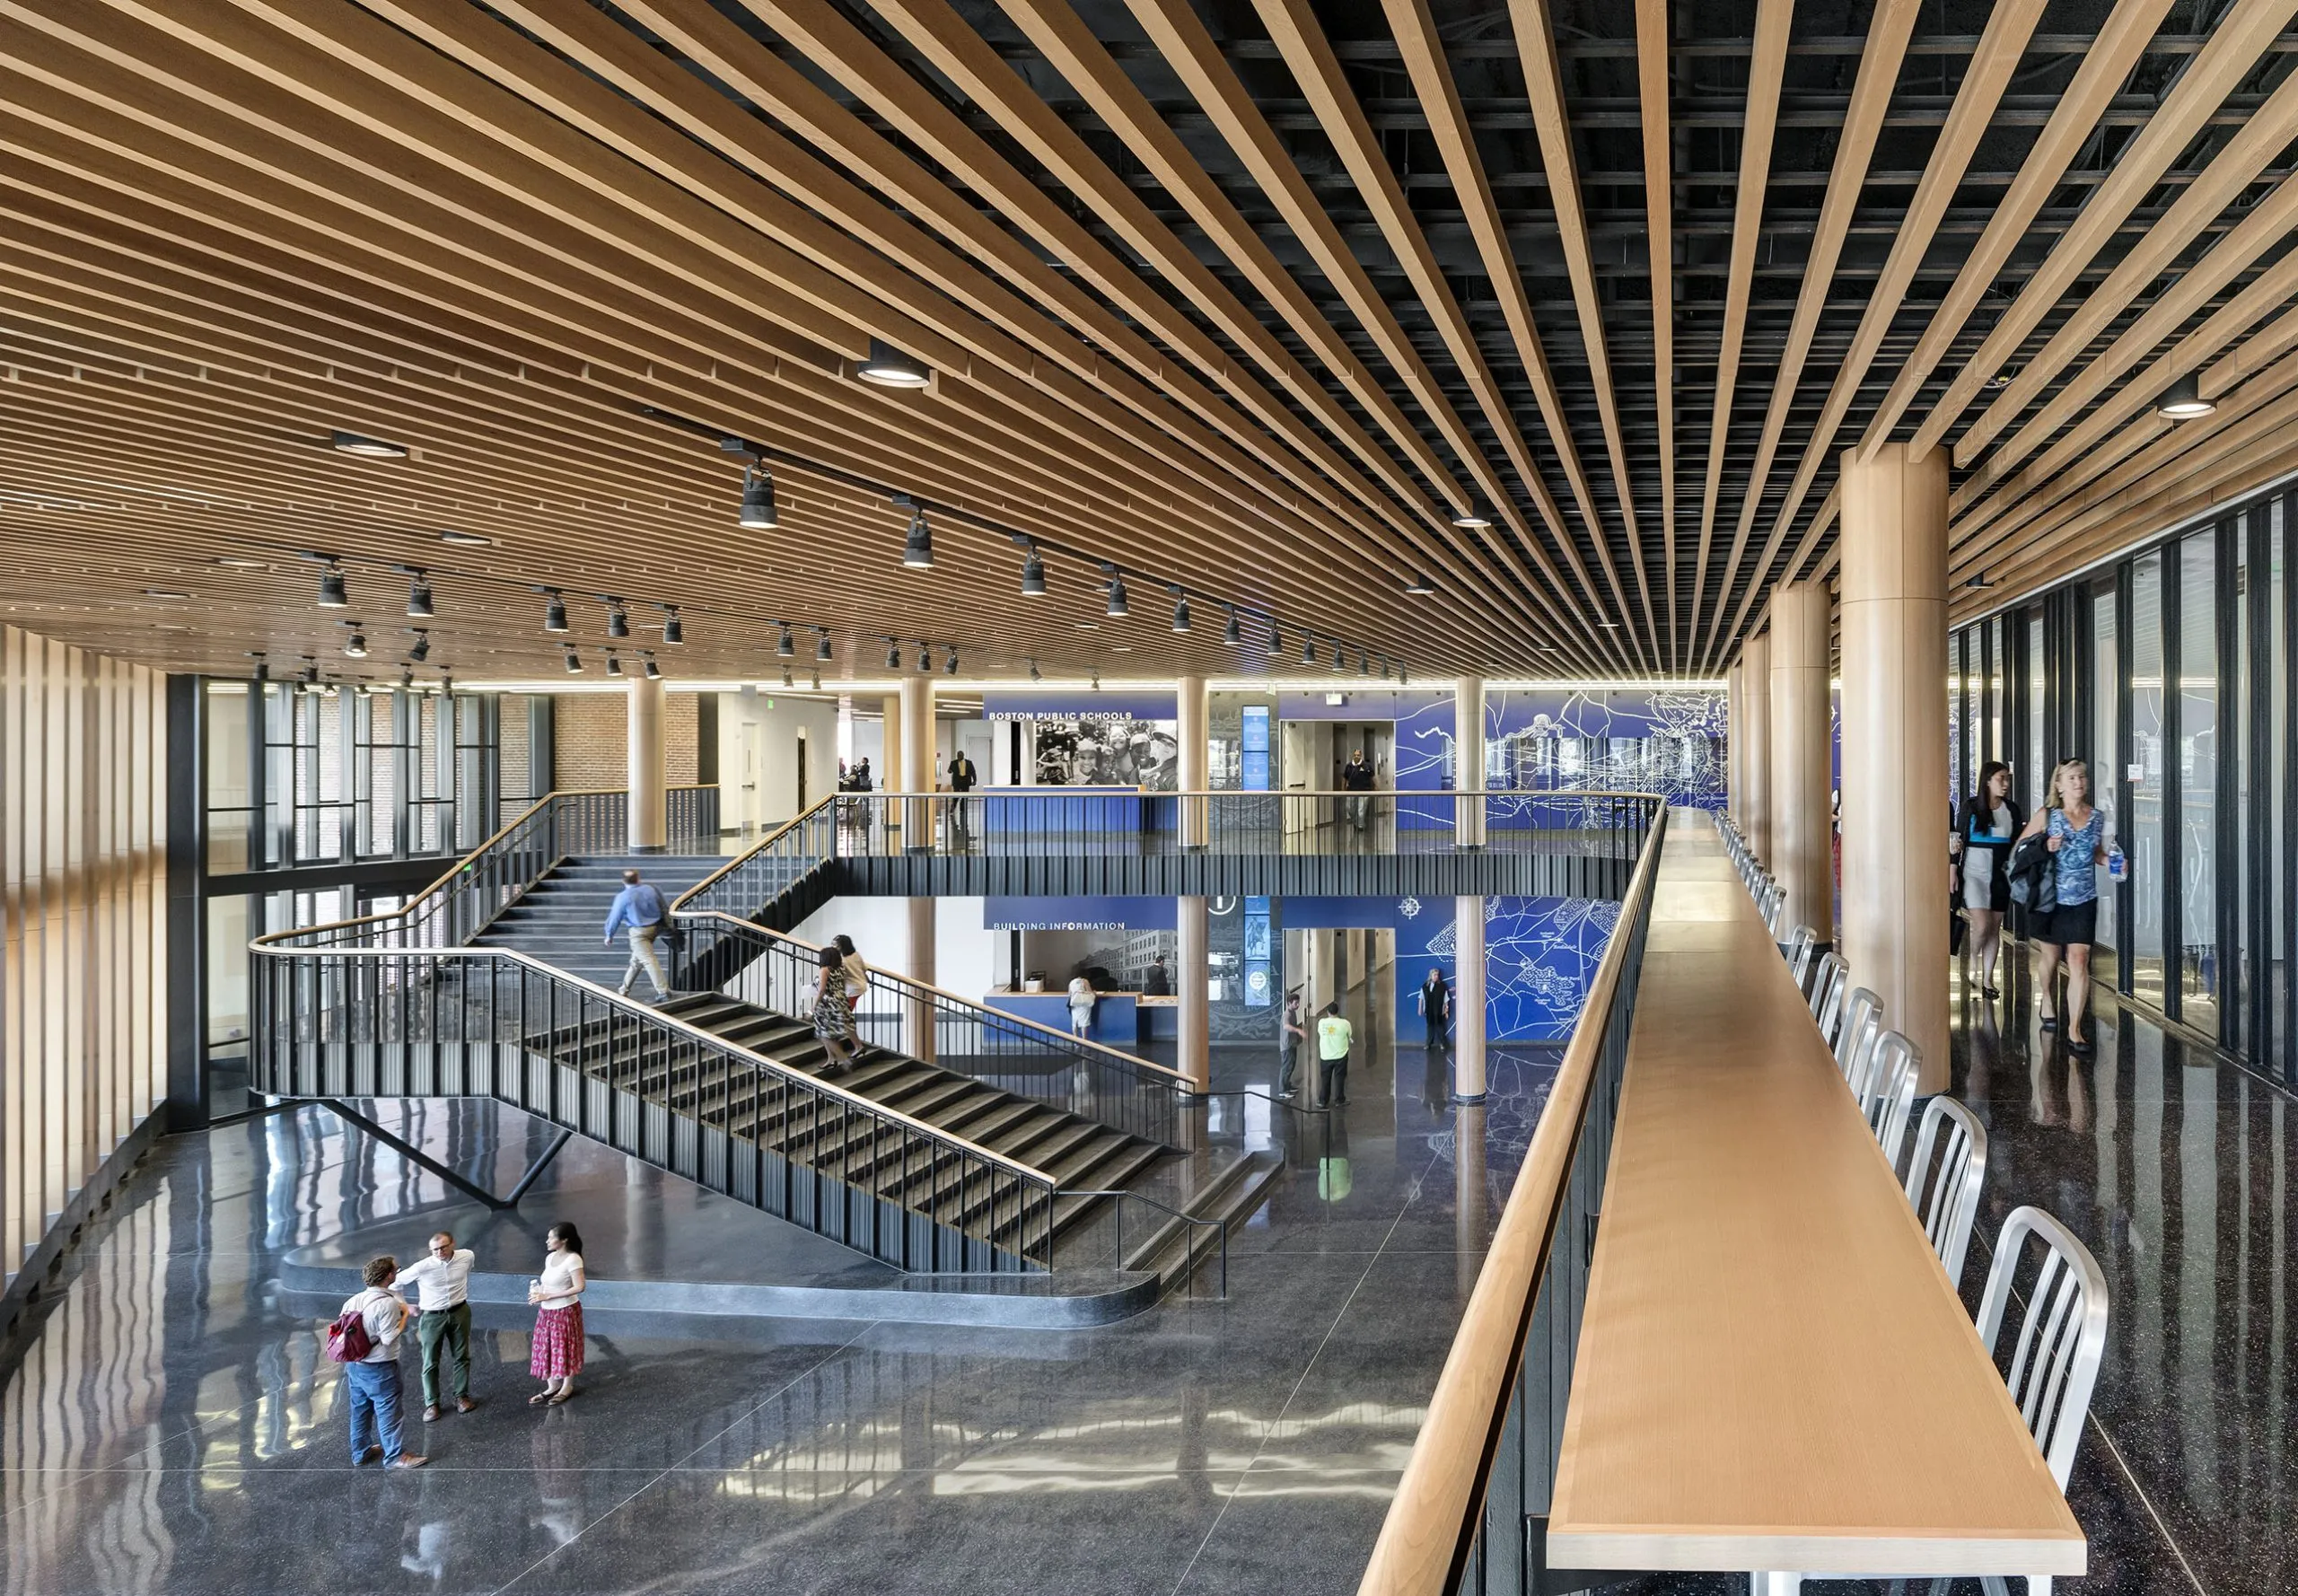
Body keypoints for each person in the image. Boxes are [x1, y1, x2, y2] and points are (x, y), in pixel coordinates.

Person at [2015, 757, 2110, 1054]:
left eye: (2082, 777)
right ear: (2059, 784)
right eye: (2071, 778)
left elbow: (2095, 852)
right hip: (2049, 899)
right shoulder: (2047, 815)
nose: (2078, 782)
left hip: (2083, 899)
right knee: (2050, 959)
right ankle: (2046, 995)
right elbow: (2019, 848)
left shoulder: (2097, 817)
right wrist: (2045, 846)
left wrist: (2108, 860)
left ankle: (2075, 1029)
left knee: (2079, 958)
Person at [342, 1256, 427, 1469]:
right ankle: (395, 1456)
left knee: (360, 1409)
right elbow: (389, 1339)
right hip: (379, 1367)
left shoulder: (352, 1300)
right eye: (396, 1270)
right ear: (389, 1275)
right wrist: (405, 1314)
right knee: (389, 1410)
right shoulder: (387, 1304)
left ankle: (360, 1453)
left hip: (355, 1365)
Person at [1951, 761, 2024, 1000]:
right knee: (1981, 924)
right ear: (1988, 781)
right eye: (2001, 778)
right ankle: (1972, 957)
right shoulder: (1971, 807)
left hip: (2001, 875)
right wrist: (1952, 869)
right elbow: (1958, 840)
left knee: (1994, 928)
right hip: (1974, 874)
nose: (2005, 783)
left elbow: (2016, 844)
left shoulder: (2011, 810)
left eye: (2007, 778)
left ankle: (1988, 978)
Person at [394, 1230, 478, 1423]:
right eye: (434, 1250)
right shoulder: (422, 1266)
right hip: (433, 1316)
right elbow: (395, 1283)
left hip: (460, 1310)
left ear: (452, 1244)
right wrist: (405, 1305)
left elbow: (468, 1271)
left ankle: (461, 1396)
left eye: (443, 1248)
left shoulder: (467, 1256)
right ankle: (432, 1403)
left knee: (462, 1355)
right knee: (431, 1360)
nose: (439, 1252)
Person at [527, 1223, 587, 1407]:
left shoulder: (573, 1259)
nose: (547, 1241)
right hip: (547, 1310)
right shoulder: (550, 1258)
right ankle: (552, 1384)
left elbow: (580, 1286)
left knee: (565, 1346)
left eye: (551, 1237)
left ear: (564, 1240)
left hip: (565, 1310)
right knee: (545, 1345)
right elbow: (548, 1282)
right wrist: (539, 1294)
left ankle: (566, 1386)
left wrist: (549, 1295)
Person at [603, 868, 671, 1003]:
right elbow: (663, 906)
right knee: (636, 961)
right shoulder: (650, 889)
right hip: (655, 928)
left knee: (647, 959)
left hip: (638, 933)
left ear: (623, 881)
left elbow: (615, 918)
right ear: (638, 878)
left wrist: (609, 934)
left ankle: (663, 991)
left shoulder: (623, 897)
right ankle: (623, 989)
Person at [809, 944, 858, 1074]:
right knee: (827, 1033)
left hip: (827, 1004)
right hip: (840, 1001)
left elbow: (822, 990)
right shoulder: (841, 968)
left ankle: (843, 1058)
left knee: (823, 1034)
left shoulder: (825, 970)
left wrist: (813, 1006)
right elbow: (842, 985)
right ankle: (831, 1058)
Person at [1315, 1002, 1355, 1106]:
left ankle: (1323, 1101)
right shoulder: (1345, 1023)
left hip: (1326, 1055)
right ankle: (1339, 1100)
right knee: (1340, 1078)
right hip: (1341, 1055)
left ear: (1327, 1012)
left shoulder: (1321, 1022)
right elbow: (1349, 1035)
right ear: (1338, 1011)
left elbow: (1320, 1033)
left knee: (1325, 1079)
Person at [1277, 989, 1305, 1100]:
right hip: (1287, 1046)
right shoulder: (1287, 1014)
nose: (1298, 1005)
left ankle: (1287, 1086)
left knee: (1291, 1066)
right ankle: (1282, 1091)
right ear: (1289, 1003)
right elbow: (1286, 1026)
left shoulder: (1293, 1012)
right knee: (1286, 1068)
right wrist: (1299, 1031)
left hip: (1292, 1044)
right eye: (1295, 1003)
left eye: (1298, 1003)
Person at [946, 749, 978, 846]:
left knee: (965, 796)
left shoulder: (969, 762)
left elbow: (973, 771)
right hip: (957, 781)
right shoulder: (953, 762)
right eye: (958, 755)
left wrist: (975, 780)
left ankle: (963, 810)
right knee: (956, 796)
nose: (959, 756)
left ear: (963, 755)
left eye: (960, 755)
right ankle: (953, 808)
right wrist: (950, 770)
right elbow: (949, 771)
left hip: (965, 781)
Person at [1417, 966, 1452, 1051]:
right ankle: (1428, 1044)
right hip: (1429, 1011)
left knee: (1440, 1028)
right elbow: (1421, 998)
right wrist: (1420, 1009)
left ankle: (1442, 1044)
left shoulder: (1442, 986)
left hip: (1439, 1011)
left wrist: (1446, 1011)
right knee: (1430, 1027)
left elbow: (1446, 999)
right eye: (1435, 975)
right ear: (1431, 975)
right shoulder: (1425, 986)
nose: (1436, 976)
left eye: (1437, 975)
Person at [835, 933, 868, 1020]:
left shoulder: (842, 961)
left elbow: (839, 976)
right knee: (846, 1010)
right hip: (861, 985)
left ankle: (846, 1027)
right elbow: (864, 969)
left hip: (852, 989)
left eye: (837, 945)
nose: (836, 947)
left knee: (845, 1013)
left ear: (842, 946)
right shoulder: (856, 954)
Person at [1340, 747, 1375, 831]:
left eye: (1358, 755)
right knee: (1349, 808)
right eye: (1355, 755)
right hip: (1351, 791)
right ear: (1353, 755)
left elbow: (1373, 777)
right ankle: (1356, 823)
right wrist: (1342, 789)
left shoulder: (1367, 766)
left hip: (1364, 791)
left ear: (1361, 756)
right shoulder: (1349, 766)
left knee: (1361, 810)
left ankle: (1360, 827)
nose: (1356, 756)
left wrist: (1376, 787)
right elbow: (1344, 778)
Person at [1066, 973, 1096, 1039]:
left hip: (1074, 1003)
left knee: (1075, 1022)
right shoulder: (1084, 981)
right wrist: (1094, 992)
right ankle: (1084, 1040)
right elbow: (1089, 992)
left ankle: (1075, 1040)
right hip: (1084, 1004)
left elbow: (1069, 994)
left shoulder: (1071, 982)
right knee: (1084, 1023)